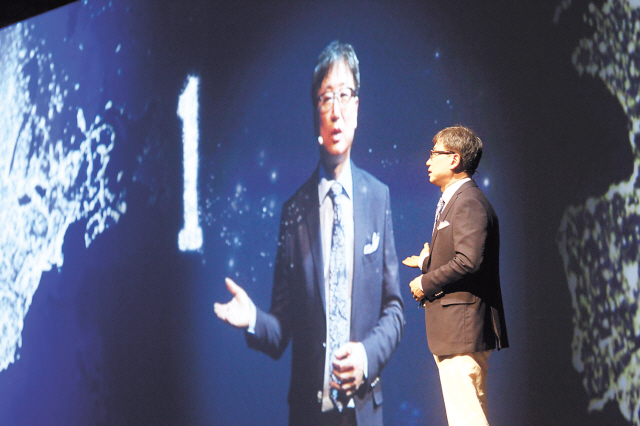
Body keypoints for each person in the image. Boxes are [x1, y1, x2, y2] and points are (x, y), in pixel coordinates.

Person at [214, 41, 404, 426]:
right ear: (315, 113)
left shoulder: (376, 198)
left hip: (365, 413)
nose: (335, 111)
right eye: (325, 98)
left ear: (357, 108)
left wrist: (366, 356)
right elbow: (281, 329)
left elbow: (395, 310)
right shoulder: (294, 211)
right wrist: (253, 318)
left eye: (344, 95)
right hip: (308, 414)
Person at [402, 125, 508, 426]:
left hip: (462, 330)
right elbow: (464, 258)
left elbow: (469, 261)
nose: (427, 161)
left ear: (454, 159)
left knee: (468, 420)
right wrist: (428, 262)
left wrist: (425, 282)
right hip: (453, 332)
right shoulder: (457, 200)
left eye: (434, 153)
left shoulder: (469, 202)